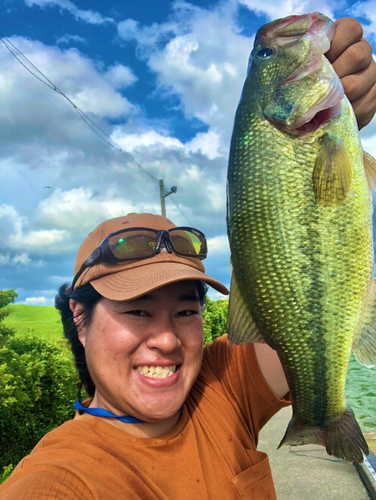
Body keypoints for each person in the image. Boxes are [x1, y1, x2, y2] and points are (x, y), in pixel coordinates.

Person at [0, 16, 375, 500]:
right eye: (137, 310)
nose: (166, 339)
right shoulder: (60, 479)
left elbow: (303, 321)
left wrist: (341, 128)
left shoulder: (220, 387)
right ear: (80, 316)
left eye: (186, 311)